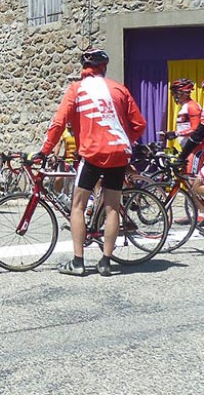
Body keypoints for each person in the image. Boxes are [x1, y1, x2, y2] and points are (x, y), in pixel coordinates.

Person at [33, 47, 146, 277]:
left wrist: (44, 152)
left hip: (93, 154)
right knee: (113, 207)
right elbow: (139, 124)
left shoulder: (76, 89)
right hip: (118, 153)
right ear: (103, 67)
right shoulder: (119, 89)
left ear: (84, 68)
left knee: (78, 206)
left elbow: (58, 124)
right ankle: (105, 262)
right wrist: (124, 140)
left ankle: (78, 262)